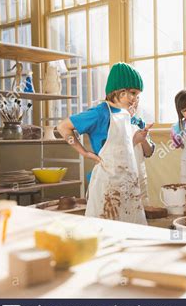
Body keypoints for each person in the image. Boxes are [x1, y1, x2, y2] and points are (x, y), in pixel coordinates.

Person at [57, 62, 154, 224]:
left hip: (129, 187)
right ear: (120, 91)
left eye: (138, 95)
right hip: (107, 187)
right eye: (133, 93)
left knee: (132, 232)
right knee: (104, 232)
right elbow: (63, 127)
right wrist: (84, 153)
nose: (135, 99)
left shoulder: (125, 114)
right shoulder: (99, 113)